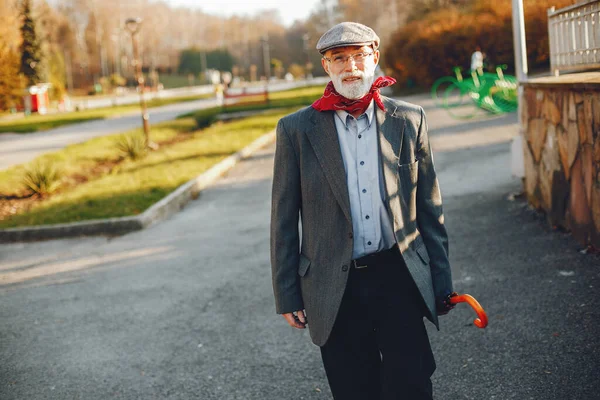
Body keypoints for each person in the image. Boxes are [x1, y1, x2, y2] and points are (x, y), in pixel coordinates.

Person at [270, 21, 454, 400]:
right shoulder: (296, 130)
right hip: (333, 283)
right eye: (339, 58)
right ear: (326, 67)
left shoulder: (409, 119)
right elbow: (283, 219)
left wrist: (441, 277)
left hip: (398, 274)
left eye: (359, 56)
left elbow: (429, 207)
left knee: (413, 383)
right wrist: (287, 293)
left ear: (375, 58)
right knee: (355, 388)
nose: (350, 66)